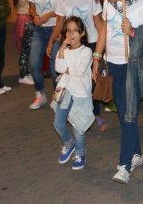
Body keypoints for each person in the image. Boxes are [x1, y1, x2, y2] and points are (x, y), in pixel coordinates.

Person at [93, 0, 143, 184]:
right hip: (113, 63)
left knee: (129, 114)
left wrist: (132, 32)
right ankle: (137, 154)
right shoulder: (108, 3)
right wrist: (96, 57)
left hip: (133, 66)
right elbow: (103, 31)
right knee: (123, 114)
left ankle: (124, 165)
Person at [45, 0, 105, 130]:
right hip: (71, 44)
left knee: (91, 79)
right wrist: (51, 41)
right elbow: (60, 23)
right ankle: (71, 109)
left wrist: (102, 46)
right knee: (67, 75)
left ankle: (95, 113)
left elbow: (98, 22)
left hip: (90, 40)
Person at [53, 16, 94, 171]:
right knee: (58, 123)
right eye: (68, 31)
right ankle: (68, 144)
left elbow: (79, 70)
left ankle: (80, 154)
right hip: (65, 91)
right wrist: (62, 47)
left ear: (82, 33)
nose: (71, 34)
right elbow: (58, 67)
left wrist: (67, 68)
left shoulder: (87, 51)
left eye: (75, 31)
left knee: (78, 127)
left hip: (80, 94)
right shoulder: (64, 50)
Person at [27, 0, 59, 109]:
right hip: (39, 30)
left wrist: (50, 14)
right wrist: (34, 16)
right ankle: (40, 94)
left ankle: (57, 96)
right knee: (34, 64)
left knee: (54, 69)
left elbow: (64, 9)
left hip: (56, 30)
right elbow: (31, 7)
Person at [12, 0, 34, 85]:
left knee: (25, 49)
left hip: (22, 19)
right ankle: (23, 74)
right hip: (26, 20)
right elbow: (33, 2)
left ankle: (25, 72)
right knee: (25, 49)